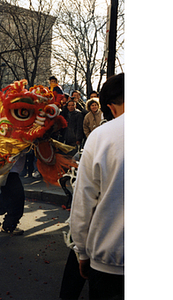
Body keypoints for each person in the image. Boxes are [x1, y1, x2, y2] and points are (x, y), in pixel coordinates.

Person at [69, 73, 124, 299]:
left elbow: (83, 199)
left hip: (110, 258)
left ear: (110, 106)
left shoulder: (102, 136)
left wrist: (81, 250)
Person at [0, 152, 26, 235]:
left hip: (7, 169)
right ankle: (9, 226)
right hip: (9, 169)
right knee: (17, 198)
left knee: (8, 194)